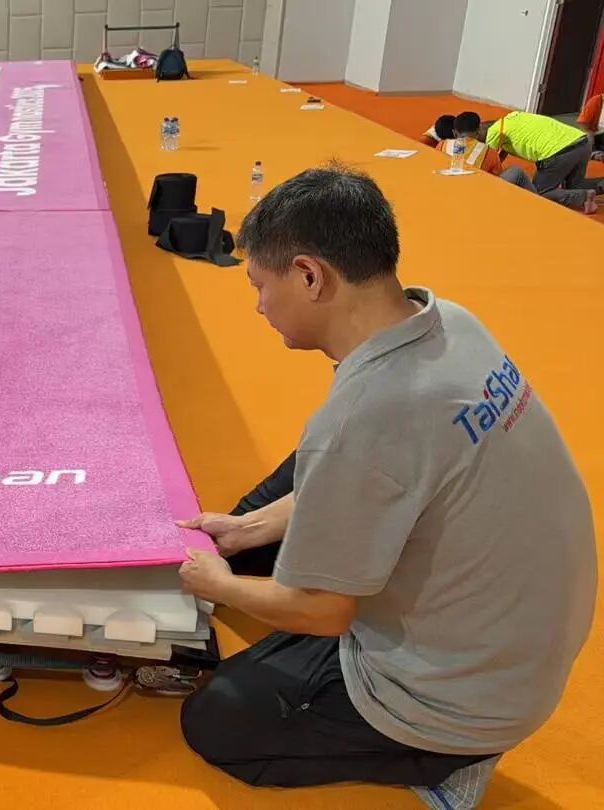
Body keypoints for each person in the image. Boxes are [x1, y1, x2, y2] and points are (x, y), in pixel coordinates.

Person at [173, 166, 596, 810]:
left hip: (460, 702)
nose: (258, 305)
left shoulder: (365, 419)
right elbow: (381, 473)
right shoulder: (447, 320)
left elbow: (323, 613)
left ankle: (446, 764)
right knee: (290, 487)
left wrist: (219, 586)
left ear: (310, 276)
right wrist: (247, 531)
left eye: (260, 285)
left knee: (218, 717)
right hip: (514, 642)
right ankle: (253, 555)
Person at [454, 110, 598, 211]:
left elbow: (488, 160)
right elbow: (501, 153)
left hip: (559, 153)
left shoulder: (492, 134)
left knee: (539, 193)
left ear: (479, 132)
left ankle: (584, 197)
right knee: (575, 185)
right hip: (581, 142)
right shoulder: (512, 117)